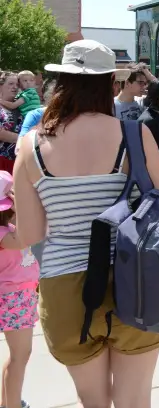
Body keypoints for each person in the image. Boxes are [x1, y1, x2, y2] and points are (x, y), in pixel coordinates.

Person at [11, 40, 159, 408]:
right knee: (133, 400)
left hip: (65, 290)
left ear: (60, 83)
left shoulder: (31, 145)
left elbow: (31, 235)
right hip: (137, 282)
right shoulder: (134, 135)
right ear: (110, 85)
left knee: (92, 402)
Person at [0, 171, 39, 408]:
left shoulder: (9, 228)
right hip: (13, 298)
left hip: (20, 295)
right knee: (20, 355)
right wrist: (25, 204)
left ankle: (8, 402)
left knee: (18, 356)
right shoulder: (5, 234)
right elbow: (26, 239)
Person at [0, 73, 22, 174]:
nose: (15, 87)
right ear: (1, 86)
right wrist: (27, 139)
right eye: (11, 84)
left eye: (17, 84)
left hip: (18, 163)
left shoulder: (22, 107)